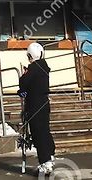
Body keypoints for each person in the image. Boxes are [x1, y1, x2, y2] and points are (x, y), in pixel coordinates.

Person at [18, 42, 56, 175]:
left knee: (38, 133)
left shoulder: (33, 69)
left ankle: (45, 162)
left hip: (35, 105)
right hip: (44, 103)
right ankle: (50, 156)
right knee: (45, 130)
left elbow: (24, 83)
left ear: (30, 55)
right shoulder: (44, 67)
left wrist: (23, 81)